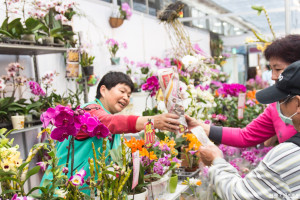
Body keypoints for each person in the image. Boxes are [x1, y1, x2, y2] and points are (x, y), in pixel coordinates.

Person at [41, 71, 180, 194]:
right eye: (122, 91)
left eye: (129, 94)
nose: (126, 97)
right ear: (103, 90)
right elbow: (110, 122)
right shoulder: (88, 111)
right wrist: (152, 121)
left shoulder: (115, 130)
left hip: (84, 192)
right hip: (60, 191)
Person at [187, 61, 300, 199]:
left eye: (281, 100)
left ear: (297, 103)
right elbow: (246, 135)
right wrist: (203, 128)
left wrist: (216, 161)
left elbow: (238, 195)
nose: (273, 76)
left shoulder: (288, 154)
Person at [197, 34, 300, 148]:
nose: (273, 76)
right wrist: (200, 127)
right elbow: (245, 136)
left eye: (278, 69)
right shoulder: (277, 106)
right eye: (271, 69)